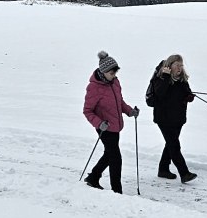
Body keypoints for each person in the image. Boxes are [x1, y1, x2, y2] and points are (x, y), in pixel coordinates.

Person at [82, 51, 139, 193]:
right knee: (116, 158)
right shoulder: (94, 87)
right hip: (104, 127)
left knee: (109, 154)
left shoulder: (115, 82)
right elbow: (87, 111)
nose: (114, 76)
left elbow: (119, 102)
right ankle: (117, 191)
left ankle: (93, 177)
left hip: (115, 126)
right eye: (111, 73)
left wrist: (130, 111)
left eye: (115, 73)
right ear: (103, 72)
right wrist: (99, 123)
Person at [148, 54, 197, 183]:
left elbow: (186, 92)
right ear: (169, 66)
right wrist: (165, 76)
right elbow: (160, 93)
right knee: (174, 146)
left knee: (170, 144)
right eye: (177, 65)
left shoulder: (182, 80)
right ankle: (184, 173)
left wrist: (189, 97)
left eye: (181, 65)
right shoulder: (160, 78)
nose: (179, 68)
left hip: (178, 118)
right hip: (164, 119)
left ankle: (163, 169)